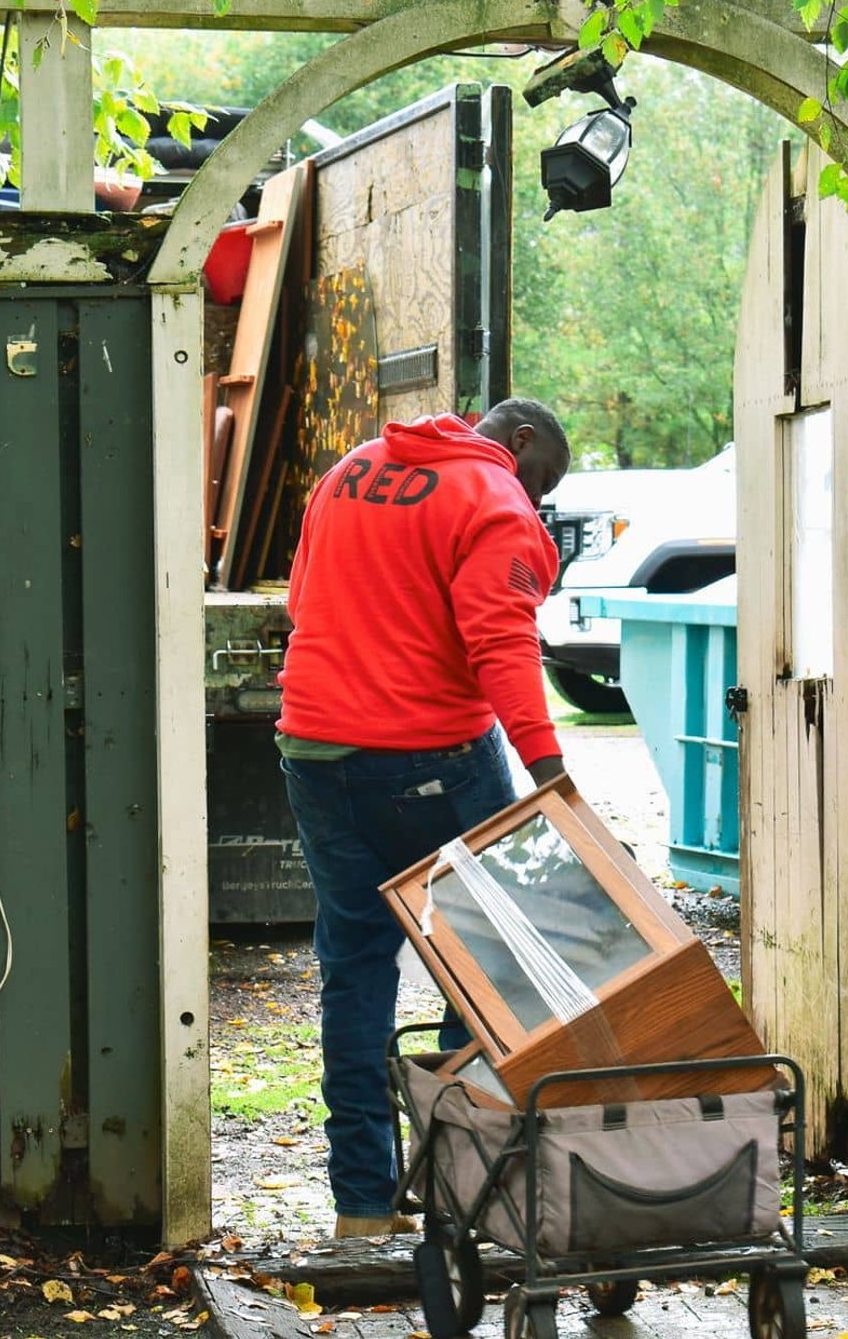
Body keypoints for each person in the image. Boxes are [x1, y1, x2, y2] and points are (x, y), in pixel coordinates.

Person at [275, 396, 571, 1238]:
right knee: (483, 969)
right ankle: (460, 1195)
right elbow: (501, 641)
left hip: (313, 751)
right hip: (431, 757)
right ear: (517, 442)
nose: (536, 499)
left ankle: (363, 1205)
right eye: (540, 478)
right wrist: (550, 774)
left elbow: (305, 601)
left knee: (356, 964)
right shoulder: (493, 497)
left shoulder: (350, 471)